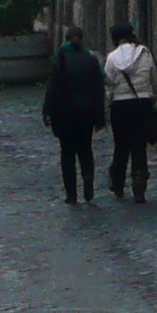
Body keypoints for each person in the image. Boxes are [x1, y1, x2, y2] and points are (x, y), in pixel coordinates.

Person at [41, 29, 105, 204]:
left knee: (67, 153)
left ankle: (71, 193)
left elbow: (52, 88)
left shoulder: (60, 59)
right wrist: (100, 117)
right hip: (86, 114)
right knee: (86, 149)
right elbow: (98, 90)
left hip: (64, 115)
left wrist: (47, 112)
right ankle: (88, 181)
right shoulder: (91, 60)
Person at [104, 22, 157, 204]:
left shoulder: (112, 58)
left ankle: (118, 182)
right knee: (139, 146)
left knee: (121, 145)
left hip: (120, 106)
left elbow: (108, 84)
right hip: (142, 103)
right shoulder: (145, 54)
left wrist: (108, 104)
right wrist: (153, 98)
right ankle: (139, 185)